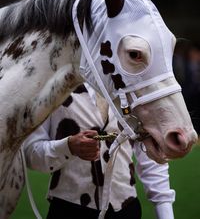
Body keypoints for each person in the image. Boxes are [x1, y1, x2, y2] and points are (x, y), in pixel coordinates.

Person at [24, 83, 175, 219]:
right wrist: (68, 147)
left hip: (126, 210)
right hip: (69, 209)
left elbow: (151, 156)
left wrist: (165, 211)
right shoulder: (52, 87)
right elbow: (31, 154)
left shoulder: (130, 86)